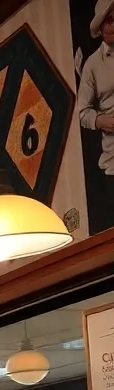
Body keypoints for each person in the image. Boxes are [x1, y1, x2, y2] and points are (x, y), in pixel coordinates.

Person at [80, 1, 114, 233]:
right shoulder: (92, 65)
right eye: (110, 20)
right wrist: (103, 121)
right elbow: (82, 112)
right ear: (100, 28)